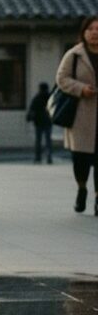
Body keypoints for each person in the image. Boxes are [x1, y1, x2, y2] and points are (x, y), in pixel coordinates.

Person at [56, 15, 98, 215]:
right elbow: (61, 79)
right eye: (91, 29)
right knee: (80, 158)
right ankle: (82, 189)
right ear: (84, 32)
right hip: (81, 115)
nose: (95, 33)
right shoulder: (74, 55)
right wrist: (81, 89)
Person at [26, 82, 53, 164]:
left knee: (38, 140)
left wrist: (29, 117)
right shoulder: (50, 97)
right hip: (48, 121)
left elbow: (32, 109)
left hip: (38, 122)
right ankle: (49, 156)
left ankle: (38, 157)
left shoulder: (37, 98)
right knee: (48, 140)